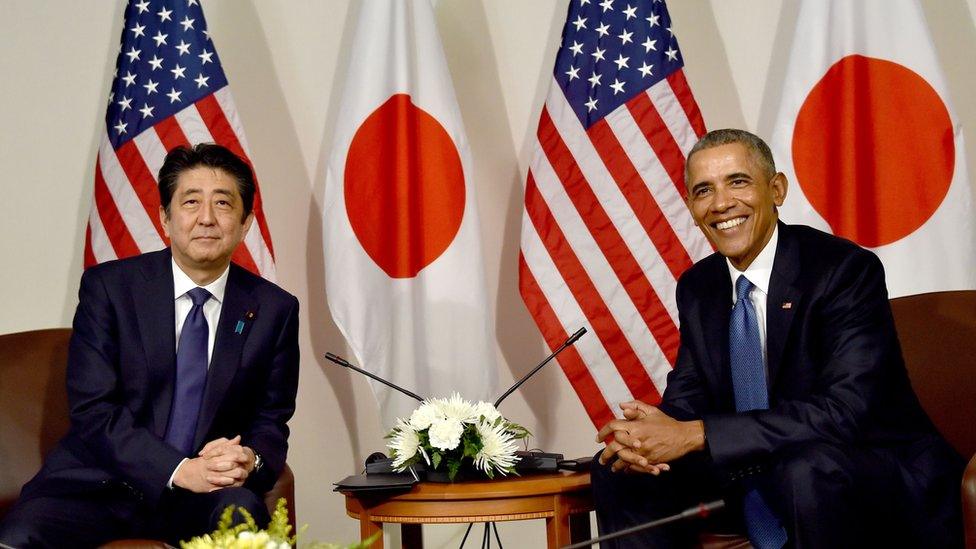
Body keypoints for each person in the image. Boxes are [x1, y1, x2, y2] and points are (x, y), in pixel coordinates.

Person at [592, 129, 963, 548]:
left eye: (738, 182)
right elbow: (690, 395)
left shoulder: (843, 270)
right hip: (759, 469)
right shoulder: (699, 287)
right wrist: (646, 436)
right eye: (703, 191)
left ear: (777, 189)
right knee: (621, 471)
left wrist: (698, 434)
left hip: (866, 470)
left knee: (806, 468)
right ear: (692, 209)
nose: (721, 203)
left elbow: (844, 412)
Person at [0, 143, 300, 547]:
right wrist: (177, 468)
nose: (207, 218)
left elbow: (270, 420)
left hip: (205, 493)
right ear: (165, 217)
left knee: (242, 518)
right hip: (100, 484)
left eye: (224, 204)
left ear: (245, 222)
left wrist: (251, 460)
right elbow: (94, 410)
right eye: (191, 202)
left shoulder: (274, 309)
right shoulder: (109, 289)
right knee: (21, 534)